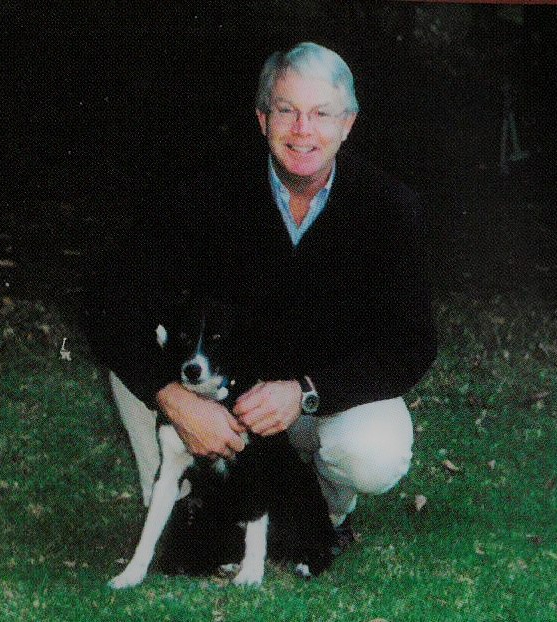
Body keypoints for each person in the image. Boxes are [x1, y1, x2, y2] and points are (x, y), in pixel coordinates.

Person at [84, 42, 436, 550]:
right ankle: (182, 506)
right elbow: (110, 297)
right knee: (134, 357)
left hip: (316, 404)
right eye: (287, 111)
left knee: (373, 449)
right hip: (220, 397)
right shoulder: (207, 193)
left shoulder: (389, 208)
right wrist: (174, 397)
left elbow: (412, 343)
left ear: (348, 124)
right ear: (262, 119)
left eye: (321, 114)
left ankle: (321, 511)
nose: (302, 130)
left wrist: (307, 391)